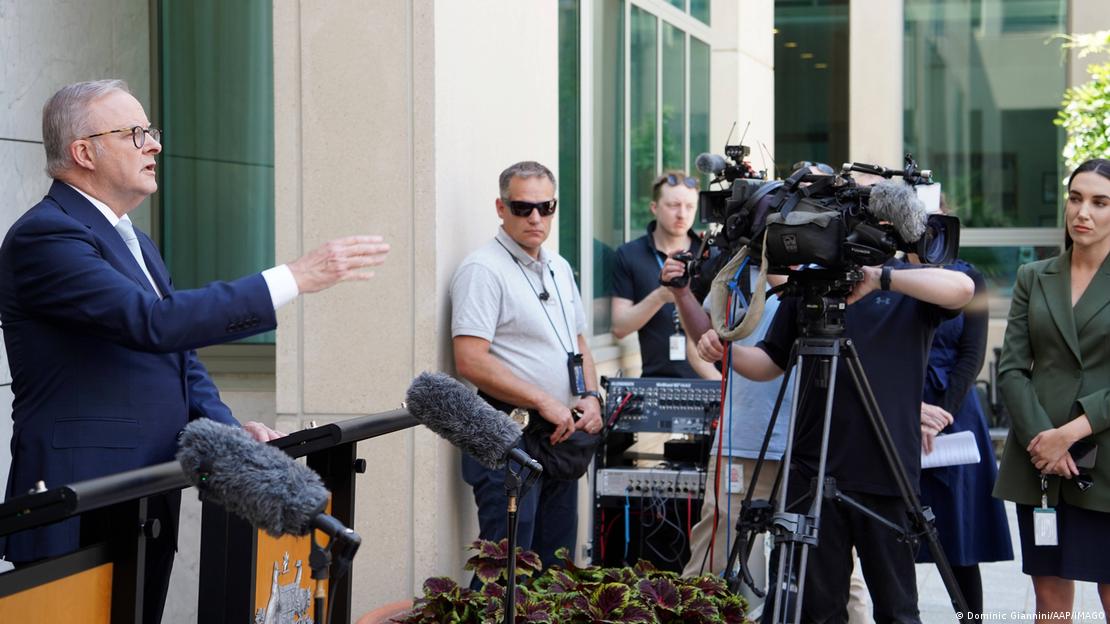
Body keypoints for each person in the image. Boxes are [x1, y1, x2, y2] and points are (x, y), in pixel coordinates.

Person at [0, 79, 391, 623]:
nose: (154, 145)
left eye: (151, 132)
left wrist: (229, 431)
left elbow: (177, 356)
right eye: (135, 133)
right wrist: (294, 277)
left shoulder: (134, 241)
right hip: (80, 500)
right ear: (83, 152)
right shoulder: (46, 237)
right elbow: (154, 324)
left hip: (145, 498)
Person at [724, 253, 974, 620]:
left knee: (897, 611)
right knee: (816, 612)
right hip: (812, 468)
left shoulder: (909, 281)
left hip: (886, 472)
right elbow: (771, 362)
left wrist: (880, 278)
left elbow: (963, 289)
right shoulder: (810, 283)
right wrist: (725, 352)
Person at [450, 160, 603, 582]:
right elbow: (470, 359)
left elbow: (579, 343)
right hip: (506, 435)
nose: (535, 218)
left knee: (556, 568)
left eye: (545, 207)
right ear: (500, 208)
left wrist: (590, 397)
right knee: (508, 572)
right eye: (521, 208)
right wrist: (544, 400)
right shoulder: (483, 269)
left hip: (559, 435)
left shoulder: (559, 265)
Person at [993, 158, 1110, 618]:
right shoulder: (1033, 276)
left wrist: (1071, 433)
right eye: (1076, 198)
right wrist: (1045, 439)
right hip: (1039, 460)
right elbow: (1012, 370)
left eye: (1100, 202)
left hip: (1104, 457)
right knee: (1050, 600)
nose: (1084, 212)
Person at [915, 258, 1012, 618]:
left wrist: (939, 416)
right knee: (892, 542)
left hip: (954, 412)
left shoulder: (968, 277)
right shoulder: (885, 274)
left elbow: (973, 354)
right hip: (894, 407)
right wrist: (908, 408)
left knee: (959, 542)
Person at [610, 171, 718, 379]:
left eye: (690, 206)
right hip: (654, 379)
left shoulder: (709, 254)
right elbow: (620, 327)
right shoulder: (630, 254)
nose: (682, 214)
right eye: (673, 205)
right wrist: (661, 295)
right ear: (654, 207)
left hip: (710, 378)